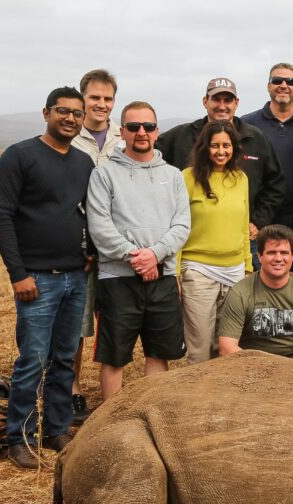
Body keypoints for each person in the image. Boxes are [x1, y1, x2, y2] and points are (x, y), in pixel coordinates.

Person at [0, 86, 95, 468]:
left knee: (64, 359)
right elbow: (0, 216)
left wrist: (89, 253)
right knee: (32, 360)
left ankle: (56, 428)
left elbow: (88, 212)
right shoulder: (20, 156)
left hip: (75, 277)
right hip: (36, 279)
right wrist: (18, 274)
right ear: (46, 112)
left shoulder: (83, 162)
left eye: (77, 113)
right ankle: (20, 437)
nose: (70, 118)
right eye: (63, 111)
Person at [87, 101, 190, 401]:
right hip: (117, 279)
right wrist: (139, 259)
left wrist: (155, 255)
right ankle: (111, 420)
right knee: (114, 355)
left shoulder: (173, 175)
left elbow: (182, 225)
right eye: (134, 127)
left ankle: (150, 414)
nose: (141, 132)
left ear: (157, 131)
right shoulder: (104, 174)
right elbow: (100, 228)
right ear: (122, 131)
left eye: (148, 126)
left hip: (162, 276)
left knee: (159, 352)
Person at [156, 77, 284, 270]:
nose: (222, 106)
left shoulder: (255, 138)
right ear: (205, 101)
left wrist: (258, 221)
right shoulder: (180, 136)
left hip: (243, 241)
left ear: (236, 103)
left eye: (228, 100)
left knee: (249, 288)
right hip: (193, 246)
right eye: (216, 99)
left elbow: (275, 183)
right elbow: (148, 158)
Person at [69, 68, 121, 423]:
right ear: (82, 98)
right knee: (76, 322)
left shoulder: (125, 136)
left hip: (117, 246)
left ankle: (113, 394)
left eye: (107, 98)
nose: (101, 104)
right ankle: (71, 388)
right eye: (94, 98)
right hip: (79, 246)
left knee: (115, 321)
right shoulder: (70, 137)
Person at [179, 121, 251, 364]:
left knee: (227, 348)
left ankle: (221, 390)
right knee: (200, 348)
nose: (221, 151)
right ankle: (197, 389)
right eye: (215, 146)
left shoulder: (241, 178)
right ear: (204, 147)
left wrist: (247, 264)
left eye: (226, 145)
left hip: (235, 272)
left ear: (234, 148)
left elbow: (244, 223)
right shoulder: (187, 178)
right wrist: (176, 271)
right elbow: (178, 226)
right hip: (198, 271)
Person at [241, 63, 293, 279]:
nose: (283, 85)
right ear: (268, 86)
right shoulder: (247, 124)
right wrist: (252, 219)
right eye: (277, 81)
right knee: (261, 281)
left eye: (290, 81)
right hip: (260, 218)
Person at [218, 225, 293, 362]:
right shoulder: (240, 292)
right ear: (259, 256)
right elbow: (227, 346)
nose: (278, 258)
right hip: (251, 362)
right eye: (271, 253)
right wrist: (262, 370)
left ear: (292, 256)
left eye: (284, 253)